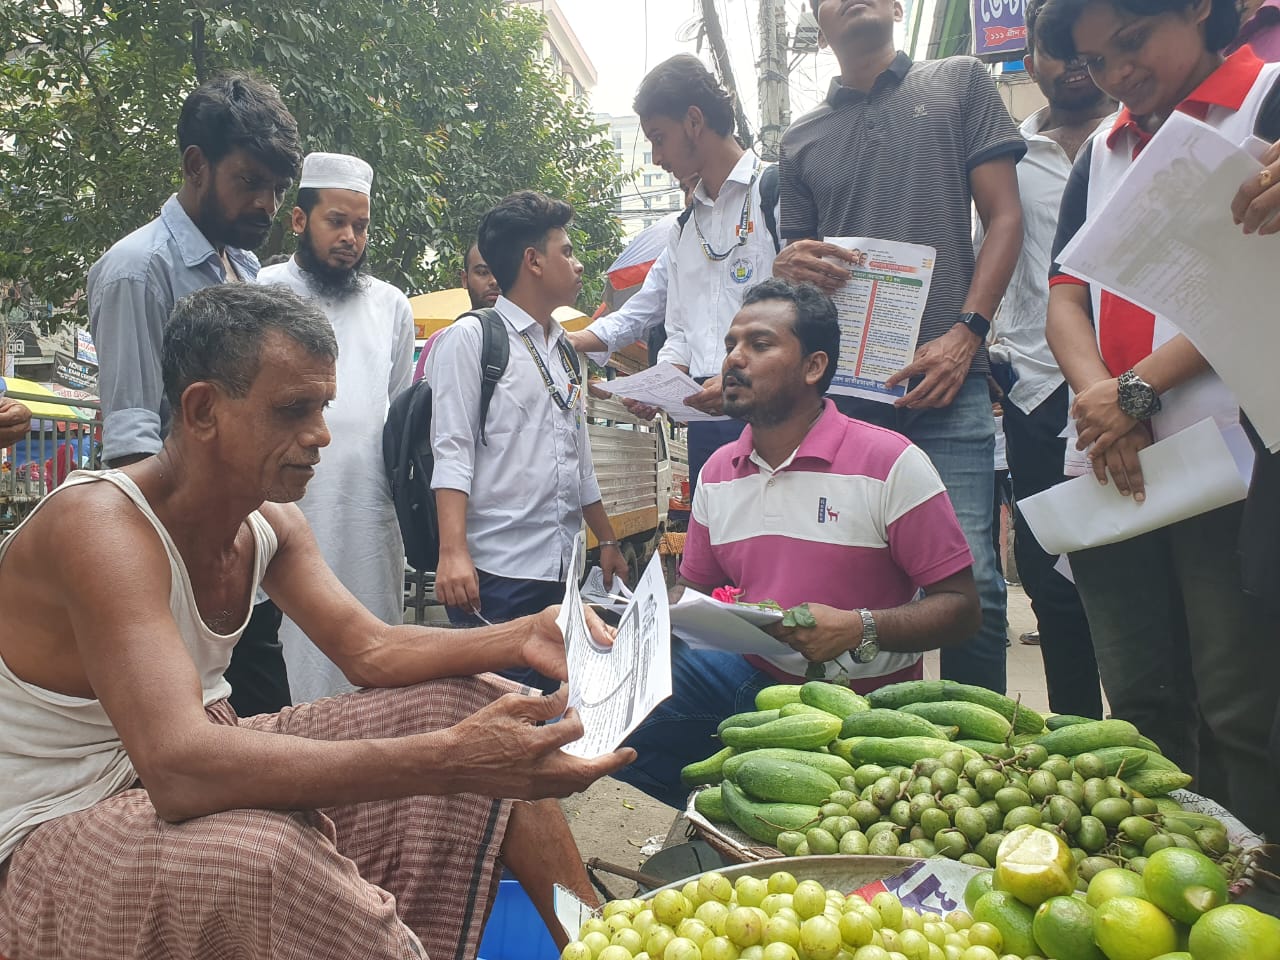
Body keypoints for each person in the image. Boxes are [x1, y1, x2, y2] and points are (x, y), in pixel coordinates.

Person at [0, 283, 633, 959]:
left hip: (179, 759)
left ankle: (600, 941)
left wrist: (519, 635)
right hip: (52, 823)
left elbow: (370, 648)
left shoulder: (268, 520)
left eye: (323, 406)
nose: (322, 434)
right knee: (260, 860)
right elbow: (179, 768)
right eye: (294, 409)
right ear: (204, 409)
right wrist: (448, 760)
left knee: (477, 700)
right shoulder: (98, 526)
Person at [1038, 0, 1280, 840]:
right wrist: (1102, 399)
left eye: (1133, 42)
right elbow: (1065, 295)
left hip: (1232, 458)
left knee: (1239, 702)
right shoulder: (1102, 152)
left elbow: (1254, 282)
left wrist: (1132, 390)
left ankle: (1253, 891)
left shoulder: (1267, 103)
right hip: (1117, 463)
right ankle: (1162, 876)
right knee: (1139, 703)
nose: (1117, 74)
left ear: (1198, 8)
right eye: (1100, 61)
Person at [616, 279, 980, 808]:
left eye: (759, 345)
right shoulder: (719, 471)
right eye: (730, 346)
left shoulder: (890, 462)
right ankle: (697, 821)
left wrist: (859, 627)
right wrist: (632, 624)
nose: (734, 360)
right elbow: (691, 594)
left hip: (862, 711)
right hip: (753, 684)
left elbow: (964, 611)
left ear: (813, 367)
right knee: (610, 716)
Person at [774, 0, 1027, 695]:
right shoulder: (800, 139)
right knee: (852, 576)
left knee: (973, 577)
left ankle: (979, 756)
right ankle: (863, 748)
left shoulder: (961, 81)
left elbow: (1005, 217)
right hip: (847, 399)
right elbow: (791, 265)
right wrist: (785, 266)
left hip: (948, 385)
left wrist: (965, 335)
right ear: (816, 19)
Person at [86, 72, 303, 717]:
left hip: (241, 567)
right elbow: (131, 451)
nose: (266, 203)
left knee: (272, 735)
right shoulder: (137, 271)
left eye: (275, 188)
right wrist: (177, 587)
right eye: (249, 182)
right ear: (195, 166)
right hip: (177, 581)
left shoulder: (246, 269)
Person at [427, 192, 629, 691]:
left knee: (554, 702)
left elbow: (578, 458)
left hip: (561, 567)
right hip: (497, 571)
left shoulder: (563, 349)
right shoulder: (472, 339)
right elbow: (450, 449)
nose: (579, 264)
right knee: (498, 711)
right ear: (532, 261)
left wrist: (605, 538)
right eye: (566, 251)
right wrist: (452, 553)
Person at [988, 0, 1114, 716]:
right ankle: (1075, 737)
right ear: (1028, 58)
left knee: (1155, 574)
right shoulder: (1008, 157)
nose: (1071, 63)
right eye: (1053, 47)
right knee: (1052, 580)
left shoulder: (1148, 137)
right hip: (1038, 396)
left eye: (1084, 48)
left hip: (1150, 384)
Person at [259, 152, 416, 703]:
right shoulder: (263, 289)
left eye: (361, 225)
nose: (351, 236)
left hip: (369, 513)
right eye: (336, 222)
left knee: (374, 652)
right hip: (284, 507)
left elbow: (395, 411)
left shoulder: (392, 306)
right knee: (288, 653)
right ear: (300, 221)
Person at [634, 56, 780, 494]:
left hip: (774, 412)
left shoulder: (777, 191)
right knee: (718, 548)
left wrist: (740, 376)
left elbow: (808, 314)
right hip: (707, 420)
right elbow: (678, 332)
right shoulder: (682, 229)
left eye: (660, 139)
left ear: (694, 120)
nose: (657, 157)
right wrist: (658, 384)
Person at [412, 240, 503, 382]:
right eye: (482, 272)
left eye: (501, 271)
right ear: (465, 279)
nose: (494, 281)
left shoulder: (530, 340)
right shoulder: (440, 341)